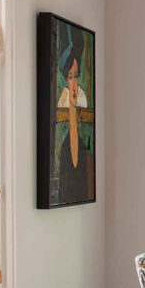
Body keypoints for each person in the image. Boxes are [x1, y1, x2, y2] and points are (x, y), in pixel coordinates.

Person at [56, 39, 92, 203]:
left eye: (76, 76)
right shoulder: (63, 145)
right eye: (70, 77)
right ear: (66, 79)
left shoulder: (84, 146)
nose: (74, 83)